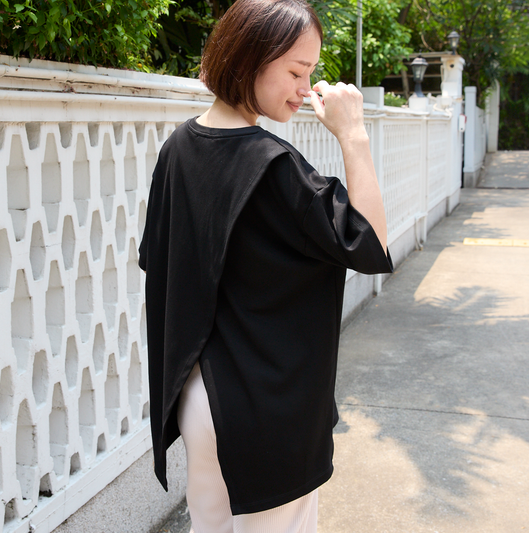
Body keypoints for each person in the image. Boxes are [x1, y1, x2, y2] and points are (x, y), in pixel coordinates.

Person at [139, 0, 393, 531]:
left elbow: (160, 262)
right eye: (296, 72)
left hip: (199, 397)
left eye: (310, 73)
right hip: (266, 406)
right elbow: (371, 246)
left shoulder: (178, 148)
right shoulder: (275, 168)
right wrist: (353, 135)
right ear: (249, 59)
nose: (306, 88)